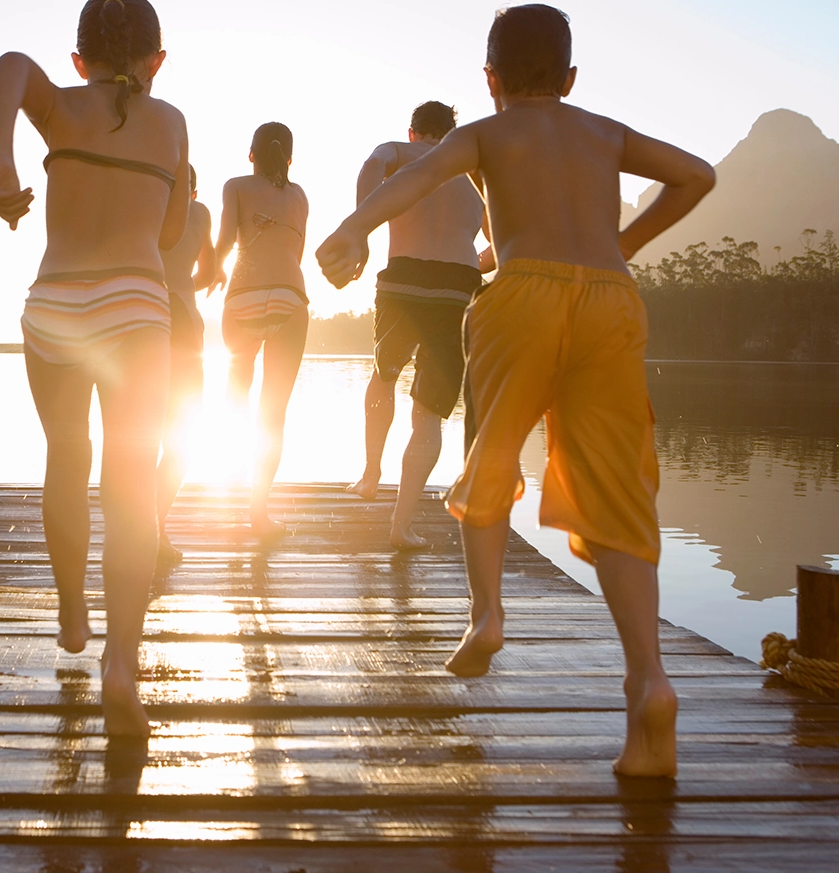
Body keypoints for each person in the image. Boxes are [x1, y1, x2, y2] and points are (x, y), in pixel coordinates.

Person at [317, 4, 715, 777]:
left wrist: (354, 226)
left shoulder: (486, 134)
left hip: (522, 293)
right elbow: (698, 174)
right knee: (620, 495)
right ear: (570, 79)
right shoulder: (603, 130)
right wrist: (620, 246)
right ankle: (650, 683)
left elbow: (417, 174)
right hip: (610, 298)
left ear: (490, 79)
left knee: (491, 451)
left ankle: (487, 613)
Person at [0, 0, 190, 737]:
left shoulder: (61, 107)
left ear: (78, 60)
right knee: (131, 479)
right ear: (157, 62)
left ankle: (72, 603)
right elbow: (171, 231)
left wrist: (5, 156)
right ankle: (121, 663)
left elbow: (9, 66)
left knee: (67, 458)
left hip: (57, 308)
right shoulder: (170, 123)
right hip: (135, 306)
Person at [345, 101, 491, 551]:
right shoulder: (471, 177)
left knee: (384, 374)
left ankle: (371, 477)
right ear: (451, 133)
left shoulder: (399, 153)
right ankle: (401, 526)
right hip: (456, 288)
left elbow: (373, 163)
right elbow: (500, 242)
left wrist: (360, 230)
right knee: (429, 411)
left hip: (403, 280)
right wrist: (471, 268)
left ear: (413, 133)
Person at [210, 122, 310, 541]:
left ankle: (227, 489)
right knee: (274, 413)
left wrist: (210, 268)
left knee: (236, 395)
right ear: (290, 158)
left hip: (243, 296)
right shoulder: (300, 195)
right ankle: (259, 513)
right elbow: (296, 251)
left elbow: (226, 243)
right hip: (290, 296)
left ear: (250, 154)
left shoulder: (235, 186)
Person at [156, 165, 215, 564]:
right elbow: (209, 271)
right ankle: (154, 528)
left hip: (143, 317)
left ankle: (140, 529)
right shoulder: (201, 213)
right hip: (184, 324)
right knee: (179, 437)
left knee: (140, 434)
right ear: (193, 191)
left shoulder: (147, 210)